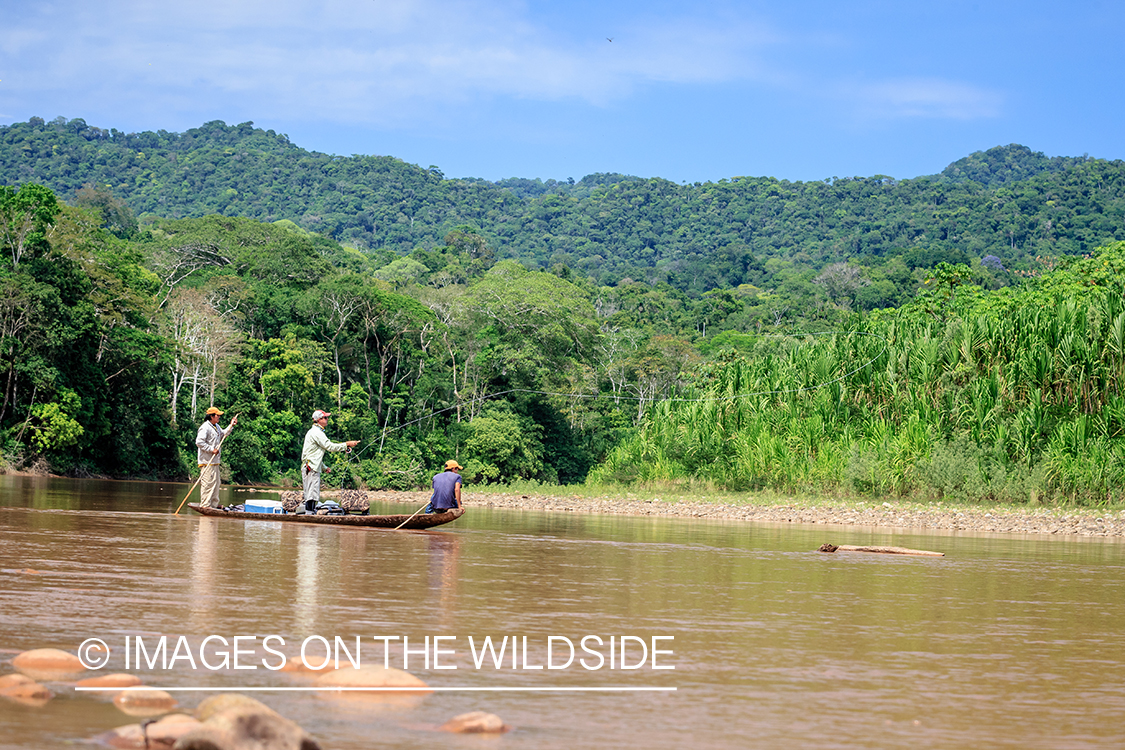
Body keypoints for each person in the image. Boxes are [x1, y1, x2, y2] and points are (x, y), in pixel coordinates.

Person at [300, 410, 359, 513]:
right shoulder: (316, 433)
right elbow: (329, 446)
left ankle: (310, 514)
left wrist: (324, 467)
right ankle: (309, 515)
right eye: (325, 418)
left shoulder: (315, 432)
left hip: (312, 466)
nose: (327, 419)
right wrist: (346, 444)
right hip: (311, 468)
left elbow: (313, 454)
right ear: (319, 420)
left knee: (312, 493)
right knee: (312, 494)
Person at [195, 406, 237, 508]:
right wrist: (211, 449)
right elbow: (199, 442)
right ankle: (205, 505)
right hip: (207, 461)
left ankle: (213, 505)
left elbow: (224, 434)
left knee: (216, 484)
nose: (219, 417)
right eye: (217, 415)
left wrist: (231, 425)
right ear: (211, 416)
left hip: (215, 461)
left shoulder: (216, 426)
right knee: (208, 484)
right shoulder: (205, 427)